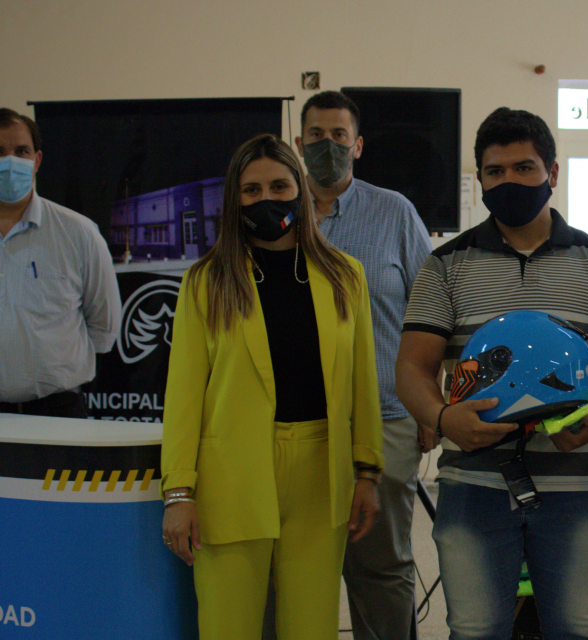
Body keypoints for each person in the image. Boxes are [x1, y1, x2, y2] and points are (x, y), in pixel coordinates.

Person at [396, 107, 588, 640]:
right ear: (481, 179)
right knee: (476, 631)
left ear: (552, 173)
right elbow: (412, 367)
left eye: (524, 168)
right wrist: (442, 418)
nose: (509, 180)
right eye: (495, 171)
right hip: (473, 483)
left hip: (576, 484)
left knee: (576, 630)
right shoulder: (445, 264)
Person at [159, 133, 384, 640]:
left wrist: (367, 471)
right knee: (228, 626)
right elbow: (184, 396)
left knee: (312, 627)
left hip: (321, 475)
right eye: (252, 190)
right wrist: (178, 492)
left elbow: (363, 383)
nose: (267, 199)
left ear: (300, 190)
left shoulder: (346, 276)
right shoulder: (206, 281)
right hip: (231, 476)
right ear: (234, 200)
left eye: (279, 186)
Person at [292, 90, 432, 640]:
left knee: (381, 566)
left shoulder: (394, 212)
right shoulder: (276, 211)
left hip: (387, 415)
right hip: (297, 422)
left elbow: (429, 312)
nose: (327, 145)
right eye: (316, 136)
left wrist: (430, 405)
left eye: (338, 136)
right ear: (299, 143)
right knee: (301, 563)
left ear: (358, 145)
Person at [0, 107, 121, 418]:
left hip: (57, 411)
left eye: (21, 151)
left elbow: (104, 327)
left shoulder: (78, 232)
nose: (10, 162)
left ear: (37, 160)